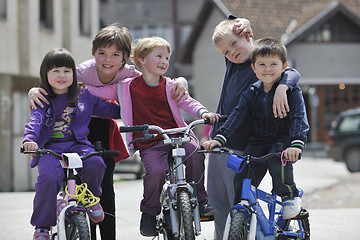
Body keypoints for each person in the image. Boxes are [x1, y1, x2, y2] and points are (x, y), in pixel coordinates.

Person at [27, 24, 189, 240]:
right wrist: (33, 91)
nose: (107, 59)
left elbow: (152, 82)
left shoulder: (128, 75)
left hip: (98, 128)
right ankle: (60, 228)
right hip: (71, 130)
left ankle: (102, 224)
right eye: (102, 53)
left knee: (102, 177)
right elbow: (49, 92)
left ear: (124, 58)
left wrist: (181, 81)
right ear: (93, 53)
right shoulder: (80, 73)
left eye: (115, 54)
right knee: (53, 177)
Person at [86, 36, 220, 237]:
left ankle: (200, 200)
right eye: (158, 56)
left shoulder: (171, 85)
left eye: (167, 58)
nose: (164, 61)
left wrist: (203, 113)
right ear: (140, 60)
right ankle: (149, 213)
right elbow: (98, 91)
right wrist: (70, 87)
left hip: (178, 135)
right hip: (150, 142)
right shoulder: (126, 87)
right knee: (155, 172)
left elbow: (188, 102)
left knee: (196, 153)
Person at [206, 17, 301, 239]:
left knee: (237, 201)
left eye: (234, 45)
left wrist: (284, 86)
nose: (231, 52)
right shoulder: (233, 62)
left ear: (247, 35)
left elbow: (292, 71)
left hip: (240, 145)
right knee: (217, 201)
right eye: (225, 52)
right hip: (219, 139)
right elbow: (228, 24)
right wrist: (239, 20)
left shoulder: (261, 66)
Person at [23, 48, 122, 240]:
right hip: (49, 149)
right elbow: (35, 121)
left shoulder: (83, 94)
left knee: (96, 163)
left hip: (77, 145)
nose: (62, 75)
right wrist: (29, 140)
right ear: (46, 74)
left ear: (74, 74)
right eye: (56, 71)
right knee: (48, 179)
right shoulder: (42, 98)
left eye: (67, 71)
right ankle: (42, 227)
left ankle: (91, 198)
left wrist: (133, 109)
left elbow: (108, 109)